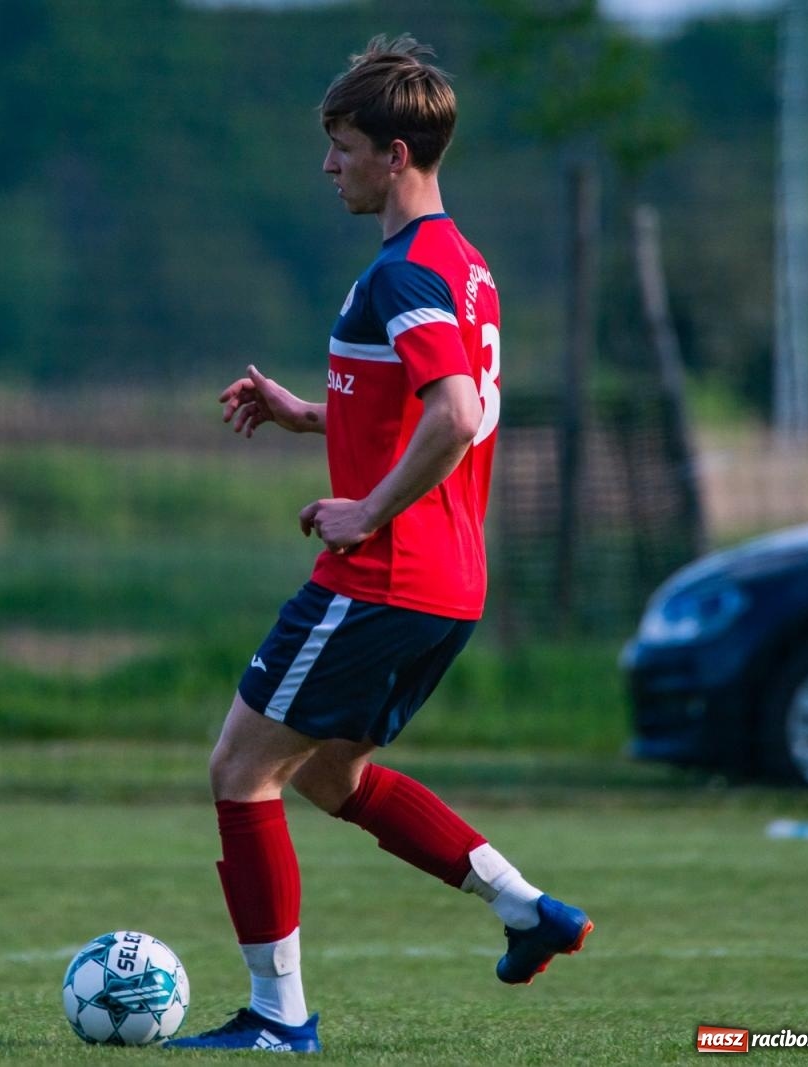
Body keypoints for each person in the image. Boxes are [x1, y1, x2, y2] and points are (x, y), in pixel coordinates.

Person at [166, 35, 592, 1054]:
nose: (329, 166)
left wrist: (366, 511)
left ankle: (277, 1020)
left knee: (239, 767)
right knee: (326, 776)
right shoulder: (466, 266)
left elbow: (449, 413)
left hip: (384, 572)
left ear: (394, 153)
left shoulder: (405, 270)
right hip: (448, 583)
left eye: (343, 146)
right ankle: (526, 908)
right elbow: (432, 404)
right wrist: (307, 414)